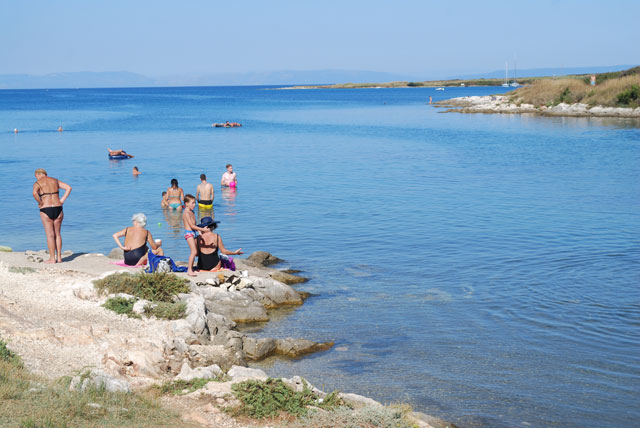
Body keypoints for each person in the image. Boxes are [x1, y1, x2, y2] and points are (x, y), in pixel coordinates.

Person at [32, 168, 72, 264]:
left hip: (46, 209)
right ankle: (59, 257)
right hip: (58, 208)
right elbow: (68, 188)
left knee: (50, 235)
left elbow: (34, 193)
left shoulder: (38, 183)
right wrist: (62, 200)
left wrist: (40, 202)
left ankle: (52, 259)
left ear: (37, 175)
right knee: (57, 234)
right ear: (45, 174)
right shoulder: (54, 180)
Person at [182, 194, 210, 276]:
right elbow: (191, 226)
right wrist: (202, 230)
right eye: (192, 203)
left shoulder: (192, 212)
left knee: (197, 252)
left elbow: (195, 224)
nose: (194, 205)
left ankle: (195, 267)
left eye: (195, 203)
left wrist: (199, 231)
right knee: (193, 251)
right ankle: (189, 270)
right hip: (189, 234)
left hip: (194, 232)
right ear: (186, 203)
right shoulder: (186, 213)